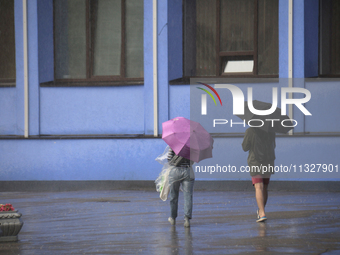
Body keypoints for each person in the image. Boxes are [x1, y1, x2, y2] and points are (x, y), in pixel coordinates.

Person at [242, 127, 276, 222]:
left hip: (255, 161)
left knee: (258, 187)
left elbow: (245, 147)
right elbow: (274, 145)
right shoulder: (271, 130)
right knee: (264, 187)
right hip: (268, 160)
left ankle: (262, 213)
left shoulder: (250, 130)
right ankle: (261, 211)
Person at [167, 148, 195, 228]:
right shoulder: (192, 145)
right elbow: (192, 161)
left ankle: (172, 218)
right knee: (188, 196)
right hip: (188, 171)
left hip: (175, 172)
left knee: (173, 195)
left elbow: (169, 159)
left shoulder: (173, 144)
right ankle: (187, 219)